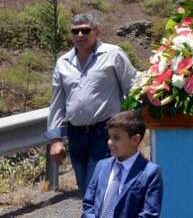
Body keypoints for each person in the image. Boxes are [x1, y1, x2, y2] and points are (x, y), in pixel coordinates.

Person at [46, 14, 138, 195]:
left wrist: (134, 125)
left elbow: (132, 85)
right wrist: (55, 141)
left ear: (97, 31)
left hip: (105, 132)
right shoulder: (63, 63)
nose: (80, 35)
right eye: (75, 31)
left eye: (85, 30)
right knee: (85, 187)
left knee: (94, 187)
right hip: (75, 134)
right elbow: (57, 103)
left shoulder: (113, 54)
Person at [82, 111, 163, 218]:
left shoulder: (150, 173)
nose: (110, 142)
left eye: (116, 138)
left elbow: (149, 214)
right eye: (109, 137)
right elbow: (89, 202)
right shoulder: (102, 166)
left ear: (135, 139)